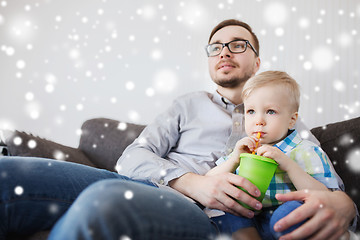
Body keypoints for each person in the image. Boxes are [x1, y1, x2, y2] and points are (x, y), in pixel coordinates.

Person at [0, 19, 355, 240]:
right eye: (215, 47)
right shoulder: (186, 105)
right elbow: (131, 158)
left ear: (257, 61)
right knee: (8, 172)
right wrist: (192, 182)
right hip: (158, 187)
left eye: (237, 44)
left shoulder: (286, 120)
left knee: (105, 201)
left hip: (206, 216)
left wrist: (346, 208)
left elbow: (332, 189)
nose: (224, 51)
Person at [206, 70, 340, 239]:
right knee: (225, 210)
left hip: (286, 220)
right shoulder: (243, 150)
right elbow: (208, 180)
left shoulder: (306, 151)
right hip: (249, 218)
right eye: (251, 111)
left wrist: (289, 165)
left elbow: (325, 196)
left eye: (270, 111)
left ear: (292, 120)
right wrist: (233, 160)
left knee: (290, 209)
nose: (258, 120)